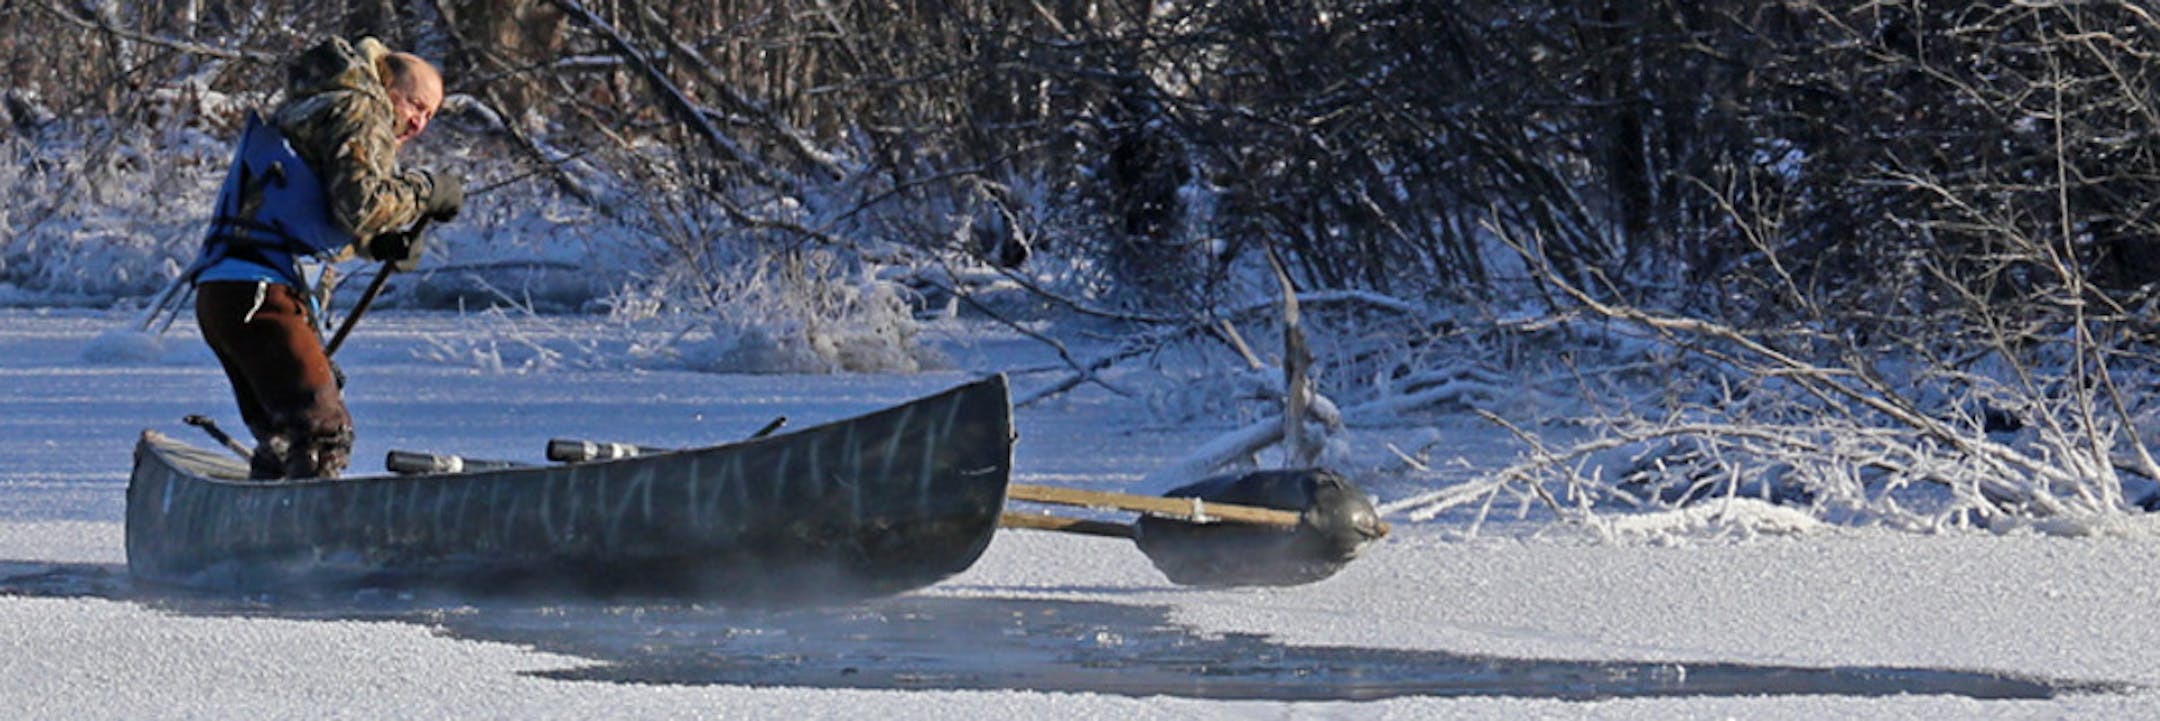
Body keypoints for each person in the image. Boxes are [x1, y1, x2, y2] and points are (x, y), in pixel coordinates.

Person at [184, 37, 464, 480]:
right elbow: (362, 204)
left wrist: (375, 245)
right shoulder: (360, 105)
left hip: (223, 294)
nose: (418, 123)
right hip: (263, 294)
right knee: (321, 435)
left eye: (430, 115)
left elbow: (305, 210)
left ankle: (263, 523)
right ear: (387, 83)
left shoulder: (312, 105)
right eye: (415, 105)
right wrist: (427, 192)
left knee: (286, 436)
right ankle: (316, 534)